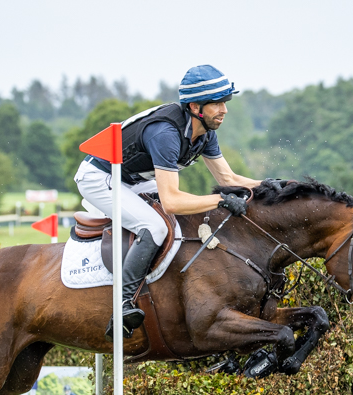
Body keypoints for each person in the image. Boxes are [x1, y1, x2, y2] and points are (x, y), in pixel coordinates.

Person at [74, 65, 261, 337]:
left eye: (225, 102)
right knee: (156, 227)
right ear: (196, 106)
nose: (224, 110)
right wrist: (219, 201)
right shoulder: (166, 133)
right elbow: (172, 201)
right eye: (217, 104)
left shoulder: (205, 132)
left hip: (132, 178)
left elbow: (229, 178)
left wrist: (271, 186)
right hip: (100, 176)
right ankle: (123, 303)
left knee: (183, 222)